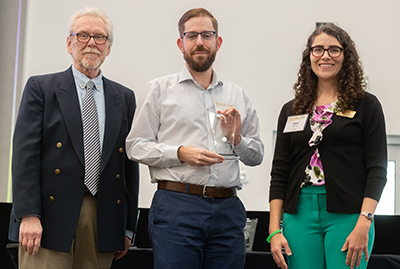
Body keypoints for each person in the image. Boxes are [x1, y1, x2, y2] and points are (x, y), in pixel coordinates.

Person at [126, 7, 264, 269]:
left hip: (228, 209)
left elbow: (256, 155)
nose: (199, 42)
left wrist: (237, 139)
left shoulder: (238, 95)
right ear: (181, 43)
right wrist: (179, 153)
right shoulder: (158, 90)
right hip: (178, 207)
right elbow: (135, 146)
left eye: (207, 35)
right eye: (192, 36)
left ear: (218, 42)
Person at [8, 7, 139, 269]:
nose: (91, 42)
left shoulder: (124, 97)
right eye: (82, 35)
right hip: (48, 218)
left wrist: (127, 228)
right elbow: (25, 157)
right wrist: (28, 215)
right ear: (69, 43)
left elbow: (128, 168)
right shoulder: (41, 89)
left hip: (102, 219)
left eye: (99, 37)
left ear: (108, 48)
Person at [269, 23, 387, 269]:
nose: (325, 56)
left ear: (346, 56)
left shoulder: (366, 105)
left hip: (349, 215)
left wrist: (364, 222)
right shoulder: (292, 109)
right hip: (298, 214)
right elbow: (279, 172)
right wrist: (273, 231)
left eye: (334, 49)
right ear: (309, 56)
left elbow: (377, 169)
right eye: (318, 49)